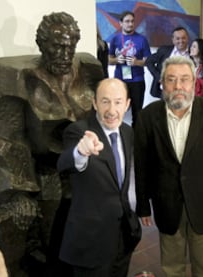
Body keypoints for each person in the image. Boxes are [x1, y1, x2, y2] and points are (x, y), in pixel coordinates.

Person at [0, 11, 104, 276]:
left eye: (70, 47)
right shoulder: (17, 76)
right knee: (52, 235)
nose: (65, 54)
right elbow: (2, 136)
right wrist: (18, 190)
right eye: (57, 47)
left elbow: (104, 115)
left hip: (86, 162)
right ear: (42, 45)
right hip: (47, 171)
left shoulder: (89, 70)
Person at [134, 56, 203, 276]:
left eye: (184, 79)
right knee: (172, 267)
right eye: (171, 80)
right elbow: (142, 166)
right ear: (162, 83)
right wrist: (143, 205)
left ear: (194, 82)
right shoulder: (147, 117)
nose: (178, 86)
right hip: (166, 204)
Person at [57, 78, 139, 277]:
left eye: (118, 102)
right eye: (105, 101)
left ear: (127, 104)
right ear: (94, 103)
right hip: (91, 244)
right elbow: (65, 164)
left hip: (123, 237)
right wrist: (80, 152)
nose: (111, 110)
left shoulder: (127, 132)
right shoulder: (79, 131)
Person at [109, 11, 151, 126]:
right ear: (120, 23)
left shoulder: (142, 39)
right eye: (127, 21)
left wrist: (137, 62)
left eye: (132, 21)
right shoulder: (115, 39)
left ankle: (136, 139)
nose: (130, 24)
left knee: (137, 113)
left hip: (137, 81)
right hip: (119, 81)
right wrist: (117, 60)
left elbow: (149, 62)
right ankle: (117, 136)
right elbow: (108, 60)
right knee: (117, 111)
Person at [145, 27, 190, 98]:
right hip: (165, 92)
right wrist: (158, 77)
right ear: (173, 40)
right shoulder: (164, 50)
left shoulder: (193, 53)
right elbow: (149, 61)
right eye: (178, 38)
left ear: (187, 38)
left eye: (183, 38)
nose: (181, 41)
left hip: (185, 93)